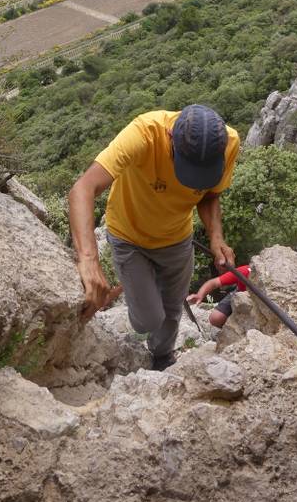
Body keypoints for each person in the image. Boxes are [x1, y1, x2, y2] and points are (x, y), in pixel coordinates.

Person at [68, 104, 240, 370]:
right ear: (171, 137)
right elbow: (83, 188)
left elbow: (210, 194)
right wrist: (88, 259)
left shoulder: (228, 143)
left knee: (172, 309)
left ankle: (162, 356)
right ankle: (139, 319)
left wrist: (216, 237)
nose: (192, 182)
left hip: (177, 239)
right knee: (149, 319)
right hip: (129, 236)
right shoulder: (144, 133)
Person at [186, 265, 251, 329]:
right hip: (240, 293)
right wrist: (200, 295)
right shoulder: (244, 271)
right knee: (216, 318)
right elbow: (213, 283)